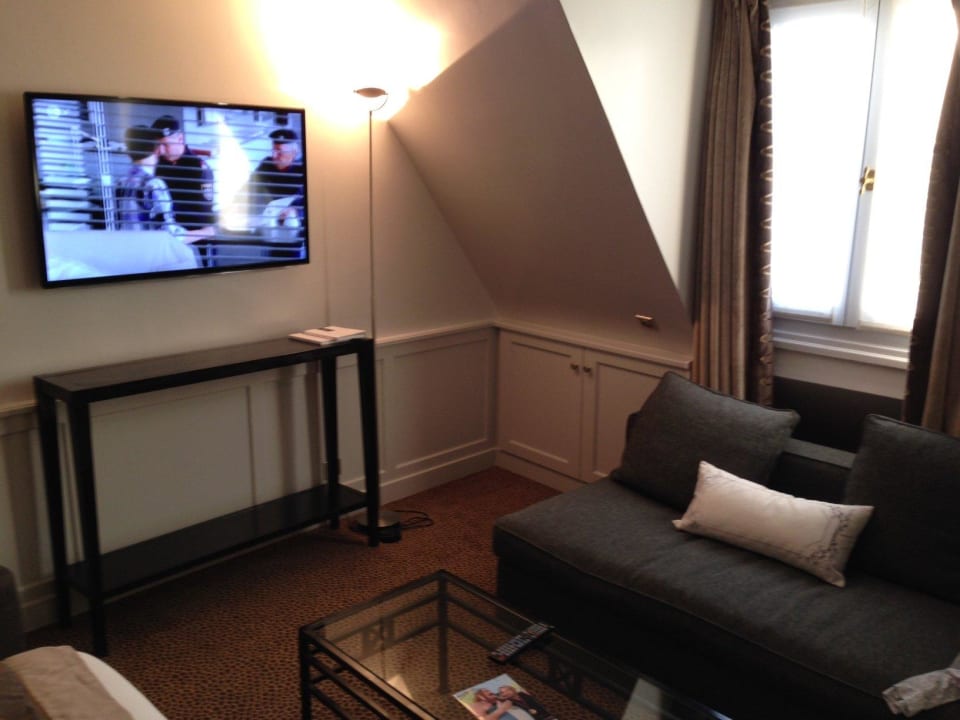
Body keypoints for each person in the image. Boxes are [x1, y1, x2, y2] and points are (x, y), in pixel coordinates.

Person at [151, 114, 216, 237]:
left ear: (180, 139)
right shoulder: (157, 166)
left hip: (193, 235)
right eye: (158, 145)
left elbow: (204, 213)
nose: (161, 151)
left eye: (165, 145)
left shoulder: (199, 168)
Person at [116, 125, 184, 235]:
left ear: (129, 153)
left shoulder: (121, 182)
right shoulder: (154, 184)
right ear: (157, 150)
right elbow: (169, 235)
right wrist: (206, 232)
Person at [242, 128, 305, 223]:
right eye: (274, 150)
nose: (274, 155)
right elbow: (249, 187)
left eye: (280, 151)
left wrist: (296, 211)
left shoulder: (302, 170)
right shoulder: (267, 164)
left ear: (294, 152)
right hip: (266, 218)